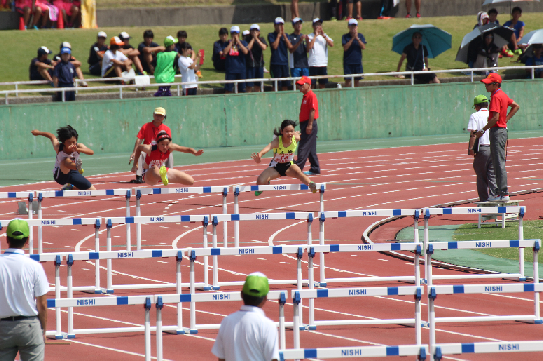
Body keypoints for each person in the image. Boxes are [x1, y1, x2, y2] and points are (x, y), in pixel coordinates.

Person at [0, 219, 49, 361]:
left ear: (7, 239)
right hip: (29, 325)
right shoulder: (35, 267)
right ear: (27, 240)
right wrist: (43, 330)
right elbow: (42, 305)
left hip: (3, 327)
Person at [211, 272, 280, 361]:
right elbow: (273, 359)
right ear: (265, 298)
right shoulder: (268, 326)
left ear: (241, 294)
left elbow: (221, 358)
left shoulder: (227, 322)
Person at [477, 73, 520, 202]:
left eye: (488, 84)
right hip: (500, 130)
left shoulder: (496, 96)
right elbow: (516, 106)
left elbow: (495, 118)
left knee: (498, 162)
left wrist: (483, 130)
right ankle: (499, 192)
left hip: (497, 131)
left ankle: (503, 193)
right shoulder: (502, 95)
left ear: (495, 84)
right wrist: (505, 120)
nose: (485, 85)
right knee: (497, 162)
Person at [251, 120, 317, 196]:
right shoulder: (277, 141)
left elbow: (301, 136)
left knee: (299, 172)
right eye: (287, 131)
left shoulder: (296, 138)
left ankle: (311, 184)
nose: (289, 134)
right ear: (282, 132)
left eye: (291, 131)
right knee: (260, 181)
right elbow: (268, 147)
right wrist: (260, 155)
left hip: (289, 166)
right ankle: (266, 182)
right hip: (276, 167)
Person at [31, 125, 96, 190]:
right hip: (61, 175)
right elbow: (51, 136)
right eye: (69, 142)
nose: (72, 144)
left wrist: (78, 150)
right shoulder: (58, 147)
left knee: (93, 190)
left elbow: (91, 152)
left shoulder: (79, 146)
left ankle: (70, 188)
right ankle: (77, 166)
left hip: (73, 173)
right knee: (66, 160)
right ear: (64, 142)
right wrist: (38, 133)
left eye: (73, 142)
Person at [131, 131, 203, 187]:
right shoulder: (150, 149)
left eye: (167, 144)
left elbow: (185, 149)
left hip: (162, 171)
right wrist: (135, 164)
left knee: (190, 181)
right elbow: (139, 147)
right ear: (157, 144)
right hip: (149, 175)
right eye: (162, 144)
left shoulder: (170, 148)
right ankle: (162, 176)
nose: (165, 147)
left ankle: (163, 176)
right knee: (154, 168)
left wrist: (194, 152)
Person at [129, 107, 173, 184]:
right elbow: (139, 140)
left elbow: (169, 143)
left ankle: (168, 174)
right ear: (153, 115)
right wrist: (134, 152)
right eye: (157, 115)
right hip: (148, 151)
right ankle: (138, 176)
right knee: (142, 153)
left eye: (161, 116)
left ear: (164, 117)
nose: (158, 117)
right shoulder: (146, 126)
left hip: (160, 151)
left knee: (170, 153)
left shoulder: (166, 129)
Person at [468, 95, 496, 202]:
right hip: (494, 148)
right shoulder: (494, 115)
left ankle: (484, 201)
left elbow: (473, 133)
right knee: (493, 176)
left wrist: (471, 148)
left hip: (483, 148)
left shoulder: (475, 115)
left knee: (481, 177)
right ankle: (495, 199)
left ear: (477, 106)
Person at [295, 76, 320, 175]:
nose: (299, 87)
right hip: (305, 124)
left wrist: (309, 125)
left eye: (302, 85)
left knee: (303, 146)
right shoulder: (305, 96)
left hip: (309, 124)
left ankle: (297, 168)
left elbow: (312, 110)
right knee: (311, 149)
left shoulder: (311, 96)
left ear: (308, 85)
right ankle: (315, 168)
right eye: (299, 85)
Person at [308, 18, 333, 89]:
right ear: (313, 26)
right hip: (313, 63)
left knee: (322, 84)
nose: (319, 27)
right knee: (312, 84)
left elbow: (331, 44)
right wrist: (315, 35)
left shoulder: (324, 36)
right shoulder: (310, 36)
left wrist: (324, 36)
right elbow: (310, 46)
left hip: (322, 63)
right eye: (316, 25)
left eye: (319, 25)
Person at [222, 26, 249, 94]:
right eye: (233, 33)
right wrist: (231, 43)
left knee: (241, 90)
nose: (234, 35)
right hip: (230, 69)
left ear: (239, 34)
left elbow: (246, 52)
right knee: (228, 90)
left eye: (236, 33)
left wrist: (238, 42)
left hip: (241, 69)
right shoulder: (227, 43)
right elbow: (224, 52)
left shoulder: (244, 42)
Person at [268, 17, 292, 91]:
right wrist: (278, 35)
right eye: (278, 25)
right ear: (274, 26)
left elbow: (290, 47)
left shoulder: (286, 36)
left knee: (285, 84)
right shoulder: (271, 35)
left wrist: (284, 36)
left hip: (284, 63)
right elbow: (274, 46)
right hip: (275, 63)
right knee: (275, 85)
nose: (280, 27)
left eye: (281, 25)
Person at [342, 19, 366, 87]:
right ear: (348, 27)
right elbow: (345, 48)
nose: (353, 28)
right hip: (348, 62)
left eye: (354, 26)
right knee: (348, 81)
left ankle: (356, 96)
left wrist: (357, 39)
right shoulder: (345, 36)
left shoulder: (360, 36)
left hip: (357, 62)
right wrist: (352, 39)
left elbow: (363, 47)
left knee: (357, 81)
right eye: (351, 26)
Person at [246, 24, 267, 93]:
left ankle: (258, 100)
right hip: (250, 65)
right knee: (249, 86)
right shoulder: (247, 39)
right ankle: (248, 100)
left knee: (258, 85)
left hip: (259, 65)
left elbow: (264, 47)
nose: (254, 32)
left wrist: (257, 39)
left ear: (259, 32)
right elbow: (248, 48)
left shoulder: (262, 39)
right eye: (253, 30)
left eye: (256, 30)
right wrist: (253, 39)